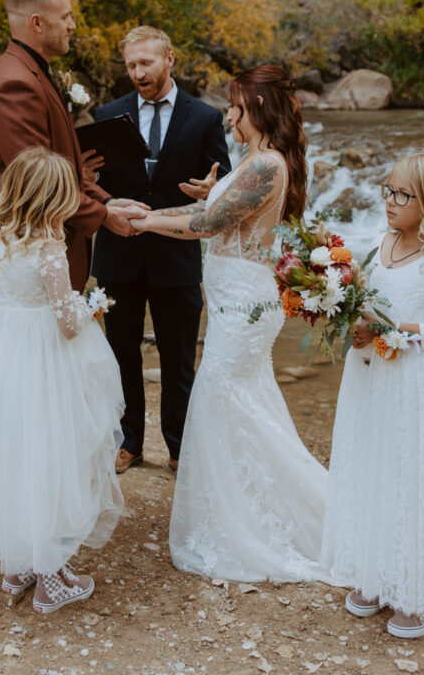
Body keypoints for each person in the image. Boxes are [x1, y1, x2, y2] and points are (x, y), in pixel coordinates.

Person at [130, 65, 331, 582]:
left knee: (221, 400)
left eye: (236, 106)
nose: (228, 115)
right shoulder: (254, 161)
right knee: (245, 405)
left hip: (244, 307)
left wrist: (146, 219)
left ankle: (265, 520)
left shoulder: (265, 165)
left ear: (258, 108)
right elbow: (219, 213)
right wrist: (199, 197)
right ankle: (247, 507)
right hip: (233, 302)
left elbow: (209, 225)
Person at [0, 146, 124, 615]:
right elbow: (66, 322)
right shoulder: (49, 247)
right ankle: (51, 578)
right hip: (47, 357)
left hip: (5, 349)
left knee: (13, 448)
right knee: (54, 451)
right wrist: (94, 305)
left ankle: (18, 564)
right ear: (52, 199)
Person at [321, 152, 424, 638]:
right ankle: (378, 573)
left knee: (413, 476)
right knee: (376, 470)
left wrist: (398, 329)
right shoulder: (383, 242)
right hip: (372, 380)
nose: (389, 200)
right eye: (387, 189)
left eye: (402, 194)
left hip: (416, 385)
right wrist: (360, 329)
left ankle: (422, 592)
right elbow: (369, 306)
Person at [91, 26, 230, 474]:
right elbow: (94, 184)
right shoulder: (108, 114)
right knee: (120, 356)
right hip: (120, 254)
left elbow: (223, 183)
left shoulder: (206, 117)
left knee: (179, 361)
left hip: (177, 257)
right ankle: (128, 441)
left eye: (145, 63)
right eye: (131, 65)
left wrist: (212, 188)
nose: (137, 73)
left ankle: (179, 447)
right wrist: (102, 200)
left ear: (169, 59)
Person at [0, 0, 146, 292]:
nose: (73, 25)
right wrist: (104, 215)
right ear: (37, 23)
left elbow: (65, 166)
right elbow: (39, 185)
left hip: (47, 247)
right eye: (65, 16)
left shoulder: (34, 71)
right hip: (30, 251)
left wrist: (108, 201)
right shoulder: (14, 85)